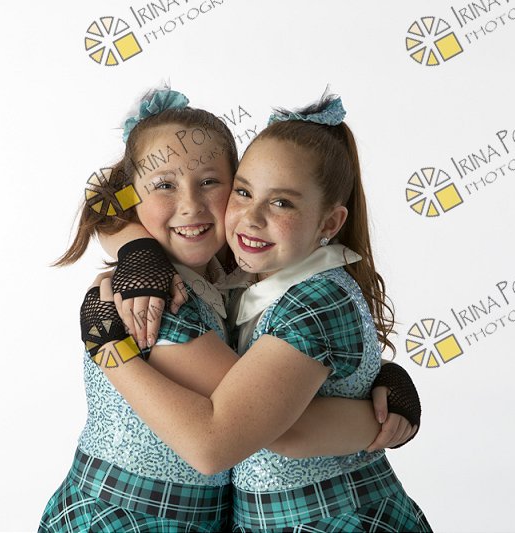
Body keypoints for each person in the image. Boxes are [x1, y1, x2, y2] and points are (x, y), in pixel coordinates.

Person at [39, 89, 420, 532]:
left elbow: (270, 397)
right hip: (127, 517)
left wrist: (376, 377)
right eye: (163, 185)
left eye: (211, 183)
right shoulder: (158, 298)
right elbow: (240, 435)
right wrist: (116, 328)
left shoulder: (237, 272)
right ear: (132, 197)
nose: (190, 205)